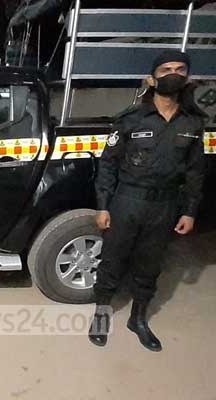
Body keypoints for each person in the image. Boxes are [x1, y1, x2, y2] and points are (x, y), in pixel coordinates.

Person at [88, 50, 206, 352]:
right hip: (127, 201)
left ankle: (138, 319)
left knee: (150, 265)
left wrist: (189, 211)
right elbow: (108, 164)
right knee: (112, 261)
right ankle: (101, 316)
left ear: (187, 77)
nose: (173, 74)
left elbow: (195, 171)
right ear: (151, 79)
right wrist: (103, 206)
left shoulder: (193, 123)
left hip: (165, 206)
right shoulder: (131, 119)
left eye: (180, 69)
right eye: (166, 69)